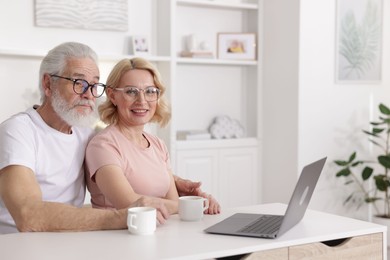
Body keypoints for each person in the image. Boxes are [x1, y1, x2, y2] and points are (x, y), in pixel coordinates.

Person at [0, 42, 216, 234]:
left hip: (65, 238)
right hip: (18, 243)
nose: (89, 94)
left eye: (94, 85)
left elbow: (126, 161)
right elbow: (28, 215)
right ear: (48, 84)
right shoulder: (17, 131)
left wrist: (176, 182)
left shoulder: (84, 132)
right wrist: (120, 217)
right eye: (79, 83)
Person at [85, 57, 221, 216]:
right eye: (131, 91)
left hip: (160, 232)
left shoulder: (158, 144)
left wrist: (194, 202)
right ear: (112, 95)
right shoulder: (103, 146)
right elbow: (130, 205)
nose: (141, 101)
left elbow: (174, 204)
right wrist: (193, 204)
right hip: (118, 236)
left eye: (150, 91)